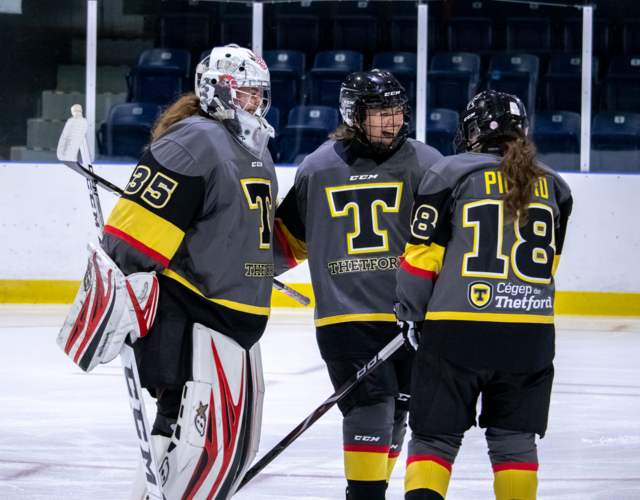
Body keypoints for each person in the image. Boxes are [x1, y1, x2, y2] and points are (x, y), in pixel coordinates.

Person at [101, 44, 277, 500]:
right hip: (190, 316)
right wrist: (122, 296)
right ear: (216, 90)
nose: (255, 104)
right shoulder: (194, 139)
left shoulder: (254, 148)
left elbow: (246, 233)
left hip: (230, 322)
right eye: (245, 93)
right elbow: (129, 240)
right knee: (182, 431)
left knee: (214, 447)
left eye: (260, 94)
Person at [395, 90, 573, 500]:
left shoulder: (449, 173)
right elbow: (549, 268)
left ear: (472, 132)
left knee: (434, 441)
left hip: (457, 332)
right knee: (514, 443)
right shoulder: (557, 187)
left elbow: (420, 263)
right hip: (529, 336)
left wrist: (412, 315)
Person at [273, 69, 443, 500]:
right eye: (379, 113)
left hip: (411, 316)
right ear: (353, 115)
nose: (390, 121)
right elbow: (288, 240)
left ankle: (374, 490)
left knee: (401, 411)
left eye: (395, 111)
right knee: (371, 406)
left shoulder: (428, 163)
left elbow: (448, 240)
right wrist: (241, 271)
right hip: (346, 318)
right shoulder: (318, 167)